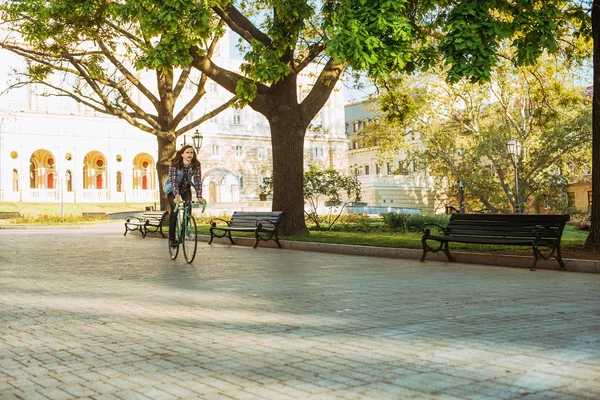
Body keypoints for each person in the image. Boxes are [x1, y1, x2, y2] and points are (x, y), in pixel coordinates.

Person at [164, 145, 204, 248]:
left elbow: (197, 180)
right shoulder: (174, 164)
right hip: (172, 189)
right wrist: (176, 195)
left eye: (191, 153)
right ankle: (172, 239)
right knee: (174, 210)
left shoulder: (196, 165)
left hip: (185, 188)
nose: (190, 155)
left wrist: (199, 196)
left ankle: (181, 233)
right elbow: (173, 181)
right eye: (187, 152)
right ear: (182, 154)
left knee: (188, 208)